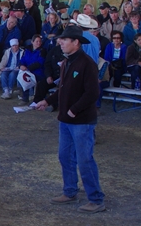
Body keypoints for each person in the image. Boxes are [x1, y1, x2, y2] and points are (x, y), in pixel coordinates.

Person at [36, 25, 105, 213]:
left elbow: (92, 93)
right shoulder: (67, 62)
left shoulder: (87, 63)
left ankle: (96, 199)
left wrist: (74, 110)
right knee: (65, 156)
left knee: (84, 159)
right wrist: (47, 101)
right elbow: (63, 89)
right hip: (66, 121)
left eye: (64, 40)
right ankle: (70, 191)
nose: (60, 42)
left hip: (81, 121)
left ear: (76, 42)